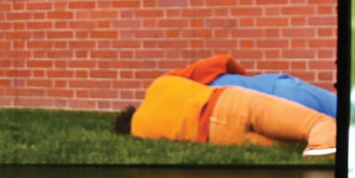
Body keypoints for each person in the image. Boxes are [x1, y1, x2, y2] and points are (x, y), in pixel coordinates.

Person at [113, 71, 336, 155]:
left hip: (219, 136)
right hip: (231, 103)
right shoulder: (161, 85)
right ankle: (326, 148)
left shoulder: (140, 131)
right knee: (317, 123)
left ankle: (316, 153)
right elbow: (217, 63)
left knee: (291, 145)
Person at [167, 53, 338, 118]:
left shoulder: (193, 111)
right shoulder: (184, 77)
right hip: (275, 89)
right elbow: (225, 61)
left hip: (267, 111)